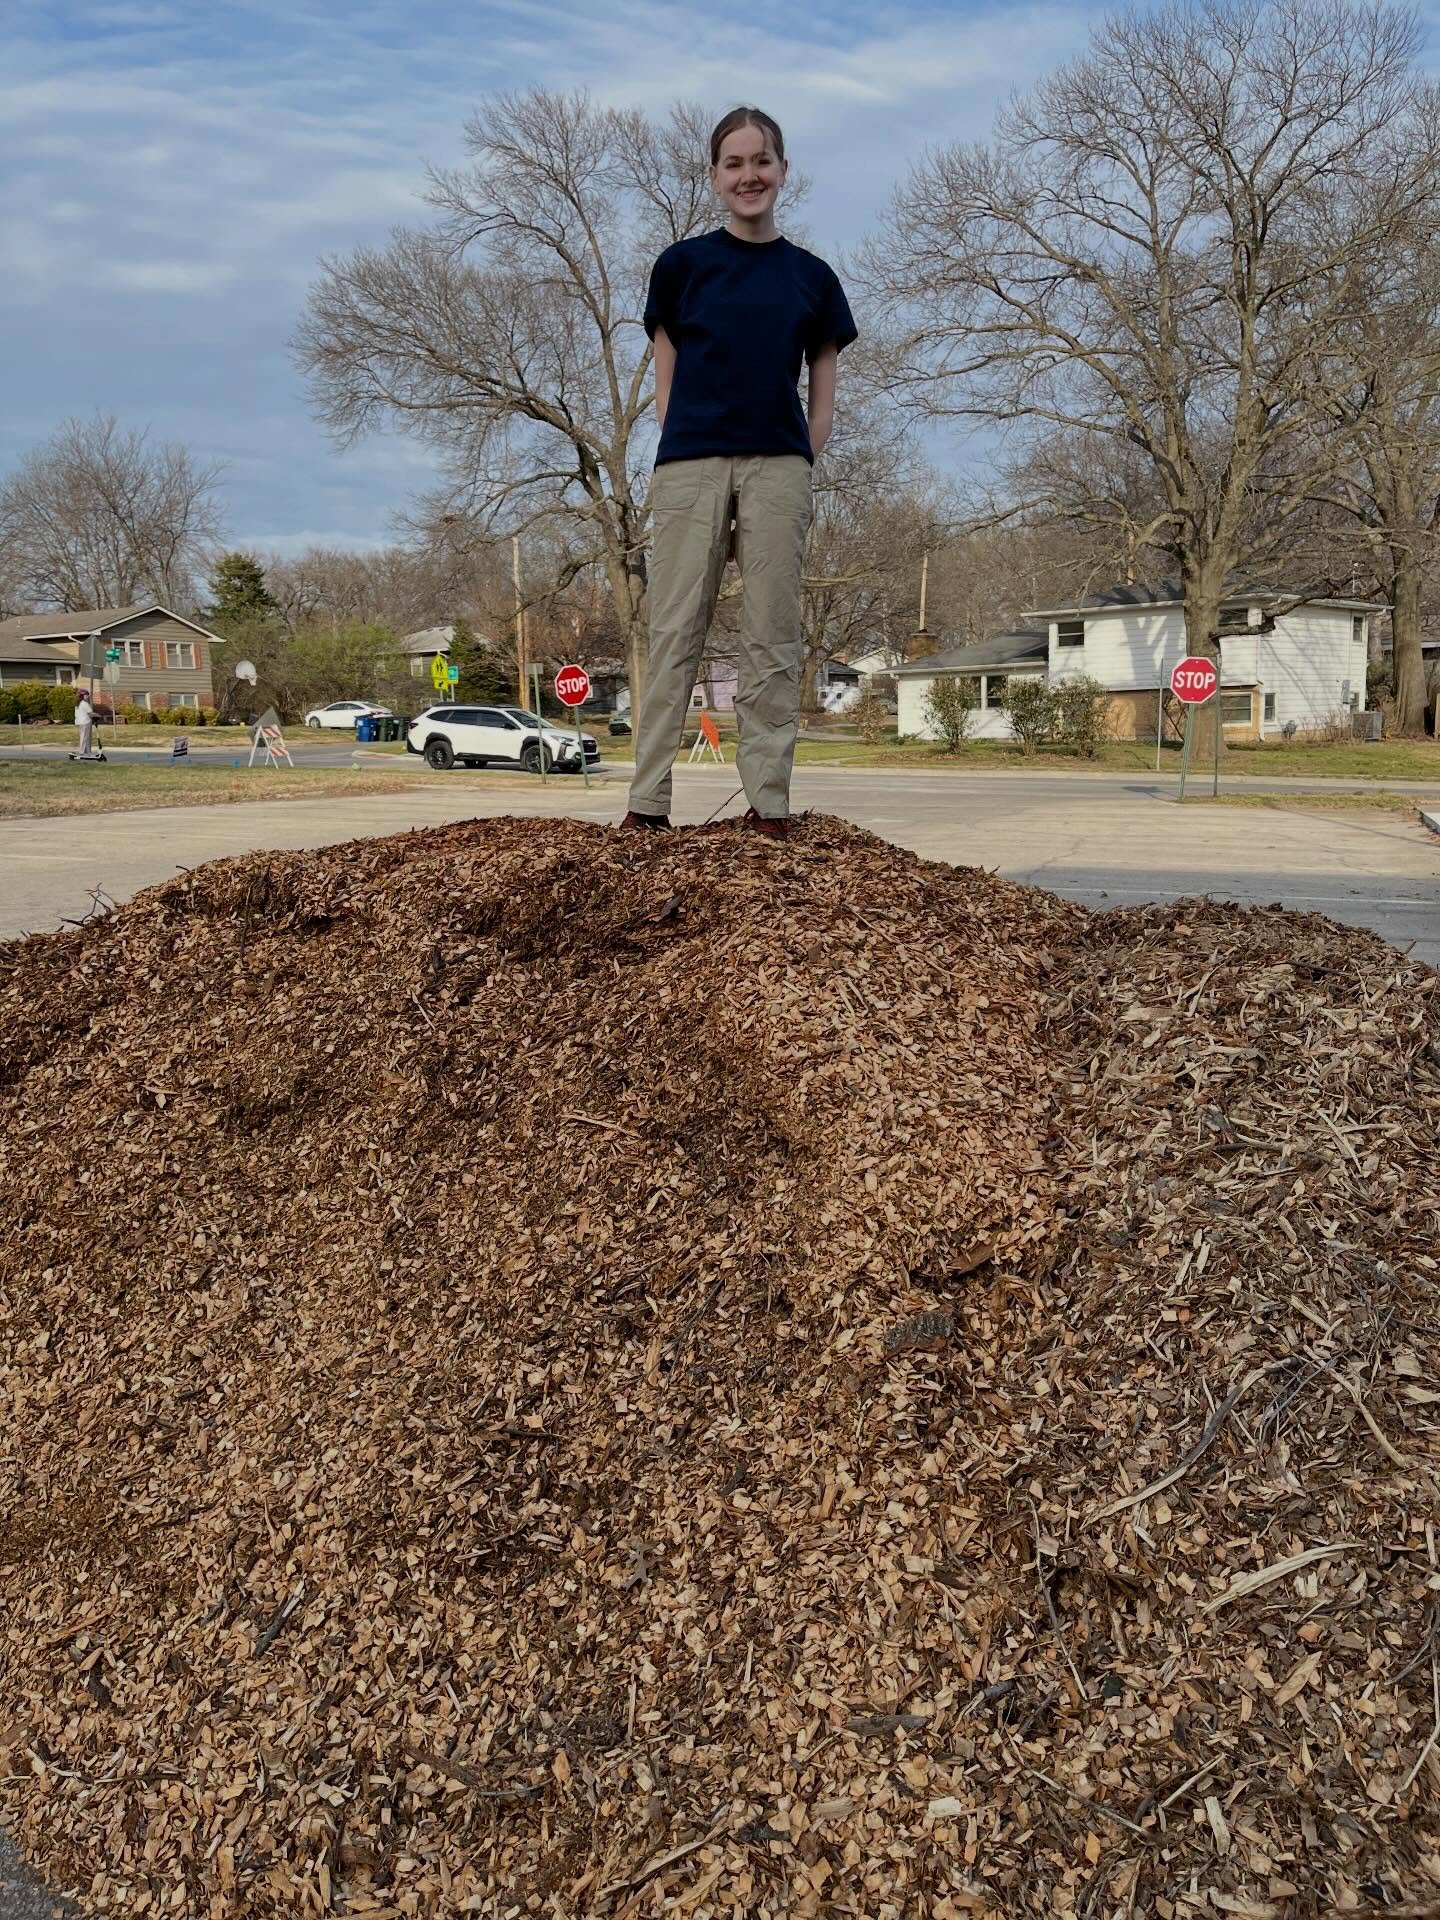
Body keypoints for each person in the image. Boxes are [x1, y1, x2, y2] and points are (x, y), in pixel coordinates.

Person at [622, 106, 857, 839]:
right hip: (690, 463)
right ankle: (646, 805)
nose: (749, 174)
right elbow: (666, 381)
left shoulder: (811, 279)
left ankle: (769, 804)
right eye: (735, 163)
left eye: (763, 160)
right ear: (714, 175)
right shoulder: (681, 267)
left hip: (779, 465)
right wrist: (689, 440)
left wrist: (799, 458)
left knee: (772, 634)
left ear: (783, 170)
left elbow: (822, 395)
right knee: (674, 631)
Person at [75, 689, 95, 759]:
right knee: (84, 737)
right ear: (82, 696)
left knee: (85, 737)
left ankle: (87, 751)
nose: (87, 697)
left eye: (87, 695)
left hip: (80, 722)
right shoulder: (84, 703)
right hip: (85, 722)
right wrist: (98, 715)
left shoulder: (78, 703)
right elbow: (90, 713)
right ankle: (81, 752)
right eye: (86, 695)